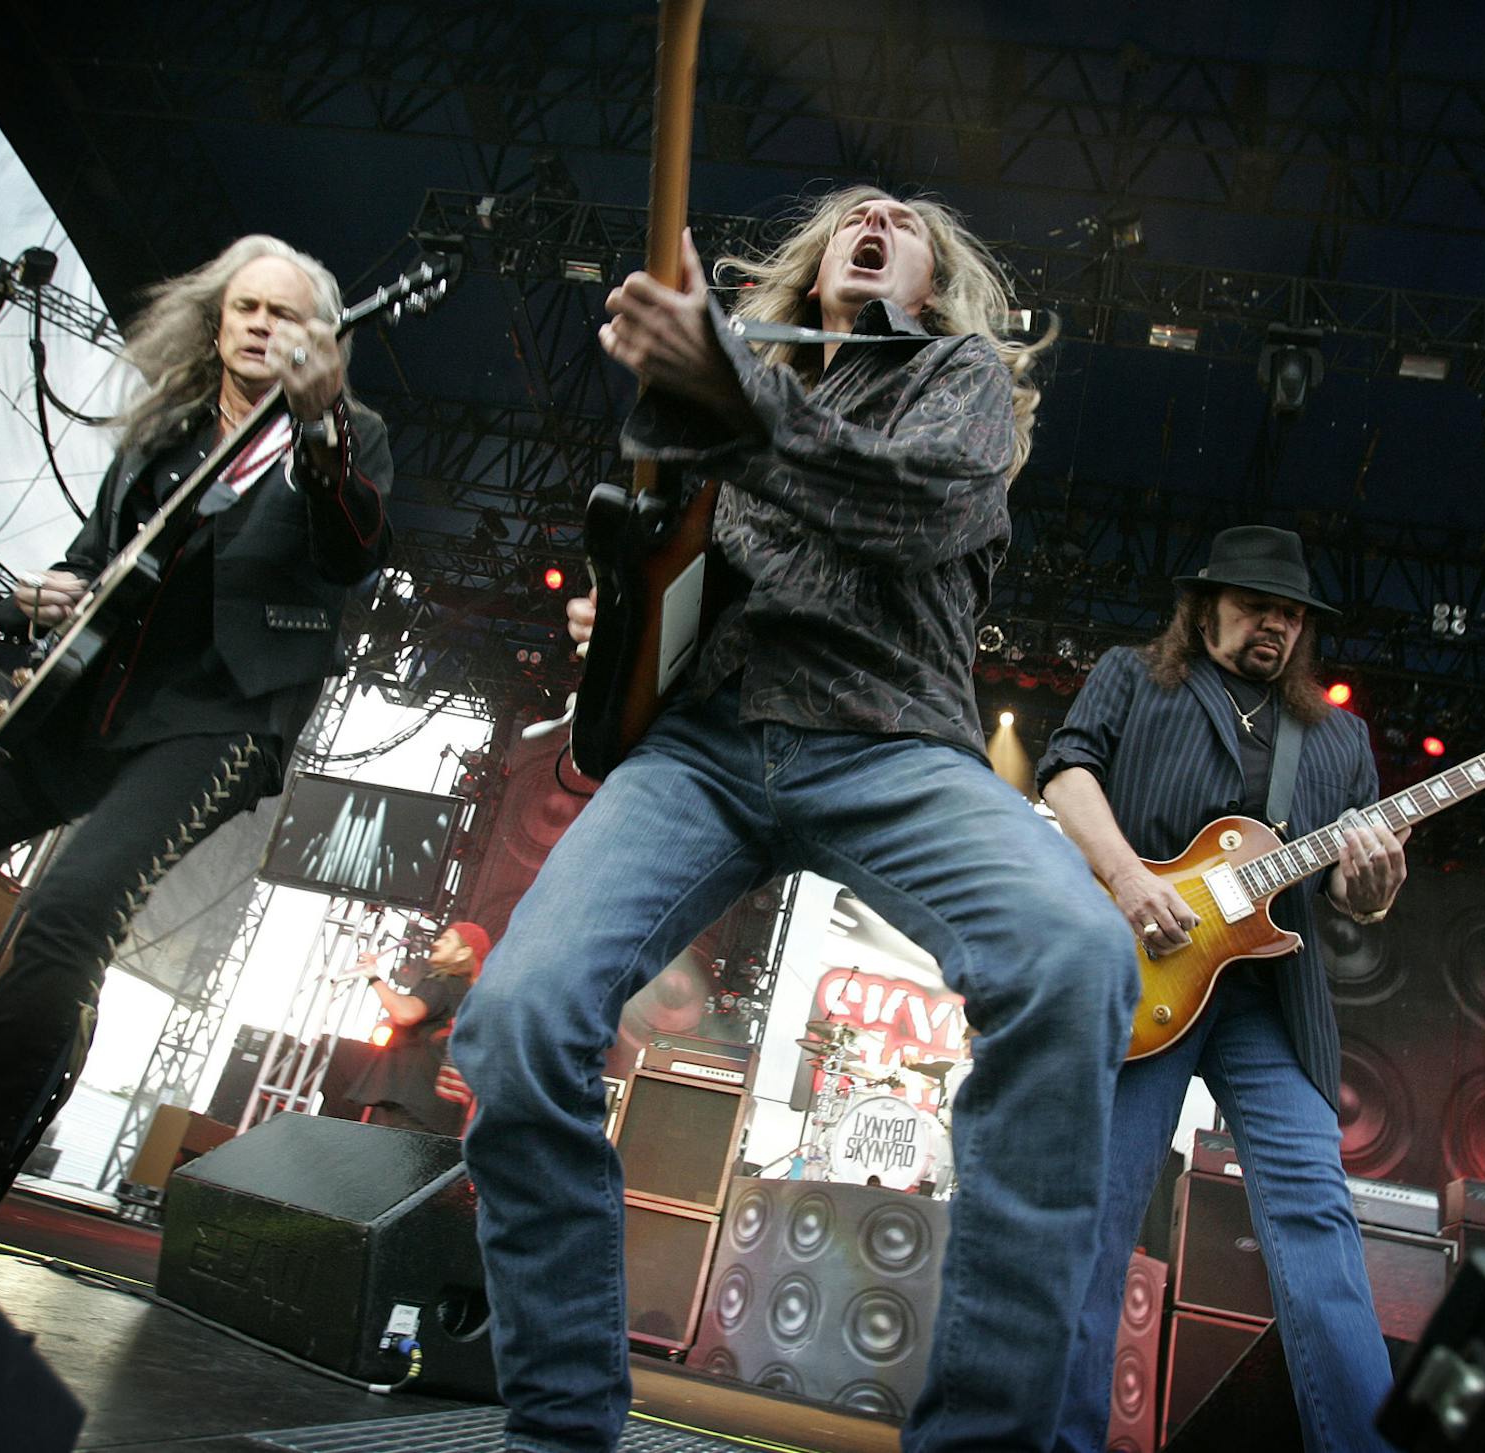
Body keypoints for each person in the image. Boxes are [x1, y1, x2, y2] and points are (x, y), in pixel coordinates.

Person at [447, 186, 1138, 1453]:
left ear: (927, 278)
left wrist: (730, 392)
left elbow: (913, 506)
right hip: (705, 749)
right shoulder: (730, 389)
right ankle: (556, 1428)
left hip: (894, 745)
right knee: (517, 1017)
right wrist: (627, 627)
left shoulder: (960, 373)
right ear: (818, 262)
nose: (876, 217)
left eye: (909, 220)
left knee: (1077, 956)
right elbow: (677, 570)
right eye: (854, 213)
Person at [0, 235, 392, 1256]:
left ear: (326, 339)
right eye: (246, 307)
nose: (262, 325)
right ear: (217, 321)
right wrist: (48, 595)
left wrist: (324, 426)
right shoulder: (161, 436)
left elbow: (351, 549)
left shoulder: (342, 434)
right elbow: (91, 561)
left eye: (287, 314)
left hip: (216, 713)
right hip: (86, 709)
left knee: (66, 914)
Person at [1038, 525, 1408, 1453]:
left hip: (1270, 1003)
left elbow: (1351, 890)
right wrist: (1127, 877)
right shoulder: (1135, 677)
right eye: (1257, 607)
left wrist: (1373, 885)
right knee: (1103, 1213)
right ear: (1205, 606)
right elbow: (1067, 770)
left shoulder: (1339, 740)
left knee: (1317, 1213)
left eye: (1291, 615)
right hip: (1142, 975)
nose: (1276, 627)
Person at [332, 919, 491, 1134]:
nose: (436, 943)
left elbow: (405, 1013)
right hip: (440, 1115)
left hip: (411, 1106)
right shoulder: (469, 998)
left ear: (463, 953)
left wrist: (372, 976)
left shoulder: (442, 983)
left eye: (446, 940)